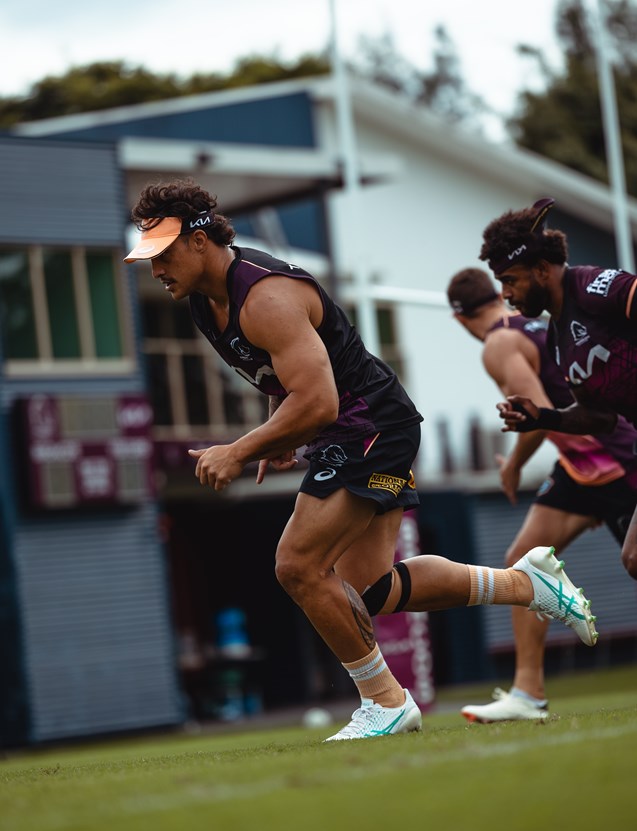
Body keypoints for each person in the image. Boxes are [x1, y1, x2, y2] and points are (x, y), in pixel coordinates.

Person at [124, 179, 597, 741]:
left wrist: (244, 445)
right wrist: (279, 435)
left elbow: (319, 399)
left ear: (200, 240)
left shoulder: (265, 297)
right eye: (149, 257)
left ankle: (386, 701)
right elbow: (285, 375)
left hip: (368, 426)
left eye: (164, 254)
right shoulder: (205, 300)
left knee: (298, 565)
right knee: (370, 589)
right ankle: (528, 585)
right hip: (356, 428)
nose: (155, 270)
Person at [447, 267, 637, 722]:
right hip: (579, 465)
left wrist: (512, 465)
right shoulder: (536, 324)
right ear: (497, 294)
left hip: (610, 460)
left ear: (458, 319)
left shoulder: (498, 343)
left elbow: (539, 411)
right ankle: (527, 692)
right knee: (522, 562)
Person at [478, 196, 637, 582]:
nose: (505, 294)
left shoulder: (596, 287)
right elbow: (598, 418)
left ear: (542, 270)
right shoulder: (556, 340)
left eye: (510, 280)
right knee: (633, 558)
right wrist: (541, 417)